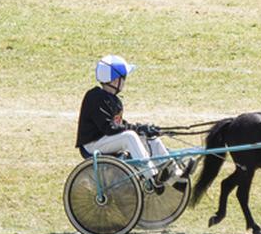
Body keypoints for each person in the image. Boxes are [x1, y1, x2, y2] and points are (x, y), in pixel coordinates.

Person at [75, 55, 187, 191]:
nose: (125, 81)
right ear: (115, 80)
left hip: (106, 140)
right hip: (92, 145)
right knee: (130, 136)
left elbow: (119, 124)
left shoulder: (114, 100)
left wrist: (143, 129)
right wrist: (135, 129)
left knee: (150, 138)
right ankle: (152, 176)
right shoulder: (95, 97)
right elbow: (110, 128)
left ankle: (175, 174)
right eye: (124, 78)